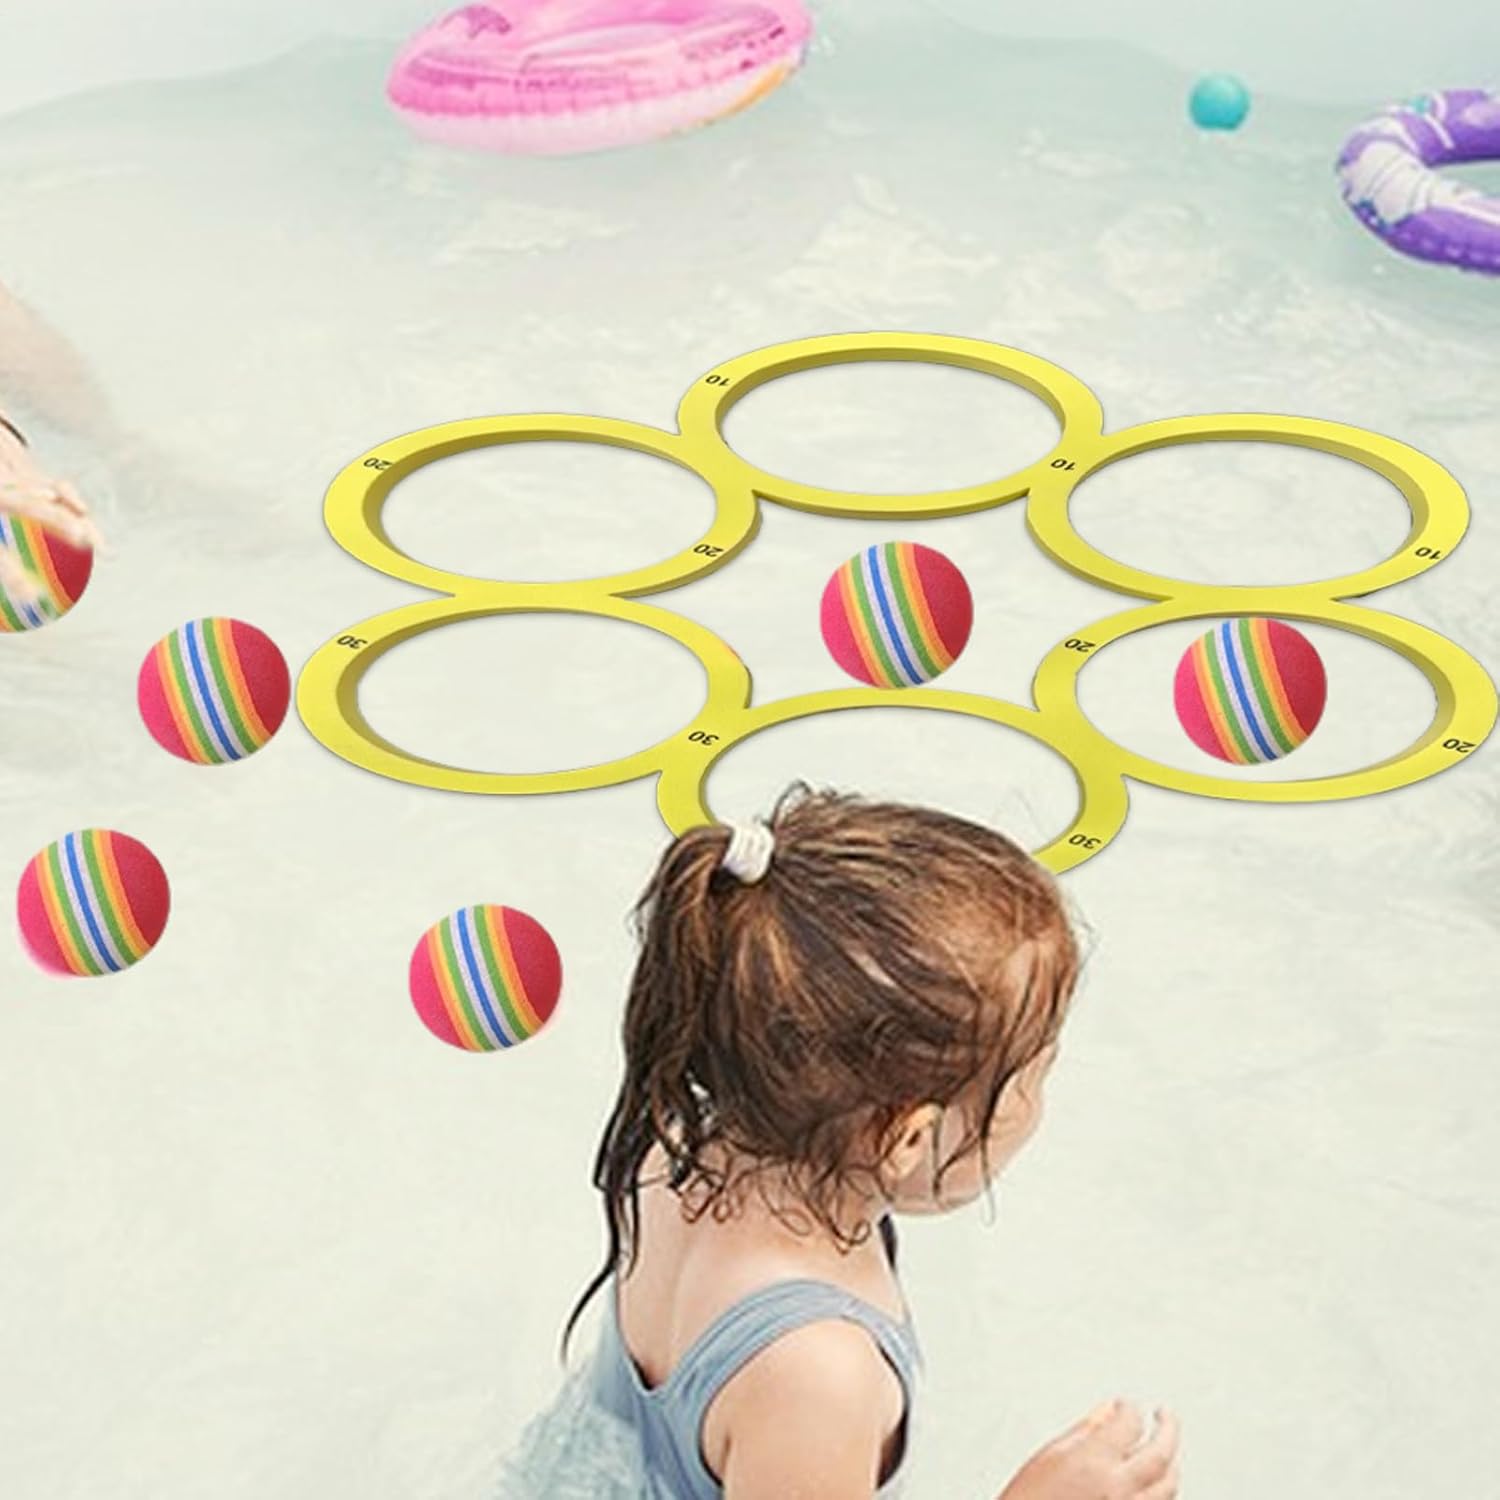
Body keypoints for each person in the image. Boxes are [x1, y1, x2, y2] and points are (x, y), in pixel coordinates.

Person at [495, 784, 1181, 1498]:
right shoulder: (819, 1374)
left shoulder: (676, 1147)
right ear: (906, 1138)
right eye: (1035, 1073)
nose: (1039, 1102)